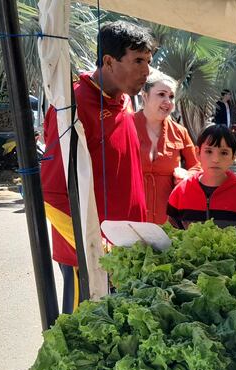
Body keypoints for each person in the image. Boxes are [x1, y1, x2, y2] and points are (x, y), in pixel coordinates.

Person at [41, 20, 154, 313]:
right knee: (84, 343)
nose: (147, 71)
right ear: (108, 61)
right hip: (91, 259)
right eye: (138, 60)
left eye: (149, 61)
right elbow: (51, 195)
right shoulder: (71, 105)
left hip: (127, 251)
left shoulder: (125, 101)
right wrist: (95, 246)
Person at [134, 70, 201, 225]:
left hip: (168, 218)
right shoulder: (126, 126)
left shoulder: (180, 132)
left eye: (171, 96)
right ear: (145, 96)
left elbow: (197, 167)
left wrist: (187, 175)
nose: (168, 101)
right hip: (132, 215)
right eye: (161, 94)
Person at [167, 124, 236, 229]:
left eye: (224, 153)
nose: (216, 159)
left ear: (233, 157)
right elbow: (171, 237)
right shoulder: (180, 193)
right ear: (197, 153)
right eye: (209, 151)